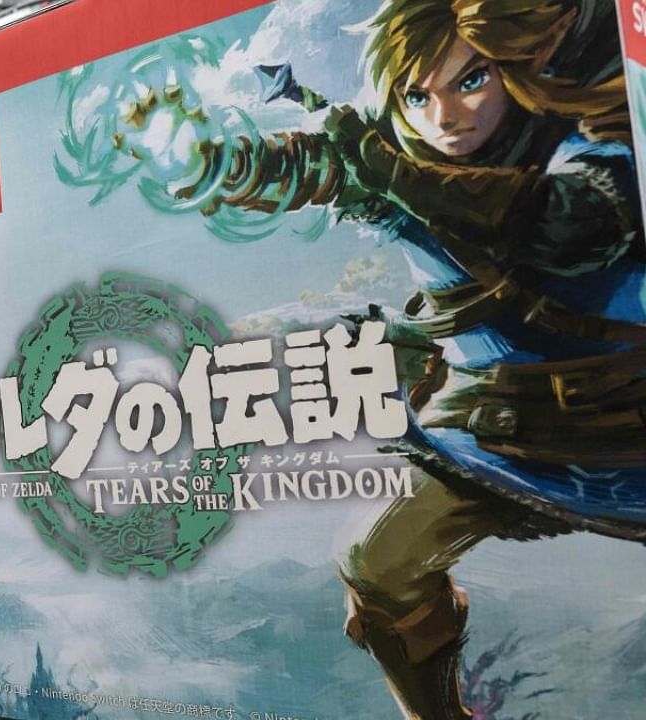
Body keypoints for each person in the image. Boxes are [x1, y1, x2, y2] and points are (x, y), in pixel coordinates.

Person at [113, 1, 641, 717]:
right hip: (501, 431)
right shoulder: (397, 156)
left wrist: (390, 168)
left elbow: (573, 225)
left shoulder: (589, 137)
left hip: (629, 424)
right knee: (378, 567)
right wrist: (212, 159)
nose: (445, 115)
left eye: (471, 81)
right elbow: (301, 164)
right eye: (418, 95)